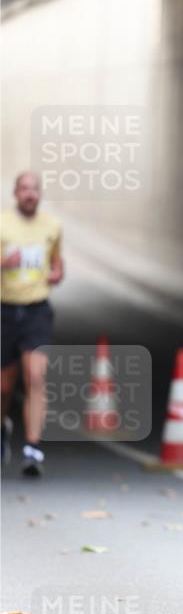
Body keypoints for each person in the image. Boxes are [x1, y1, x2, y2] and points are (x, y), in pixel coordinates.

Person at [1, 172, 64, 476]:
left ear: (40, 194)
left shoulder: (51, 226)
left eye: (35, 189)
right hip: (6, 310)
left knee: (35, 378)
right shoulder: (3, 223)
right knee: (3, 387)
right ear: (16, 193)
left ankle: (32, 449)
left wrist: (56, 274)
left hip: (37, 310)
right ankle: (4, 428)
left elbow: (57, 264)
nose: (30, 194)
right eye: (24, 189)